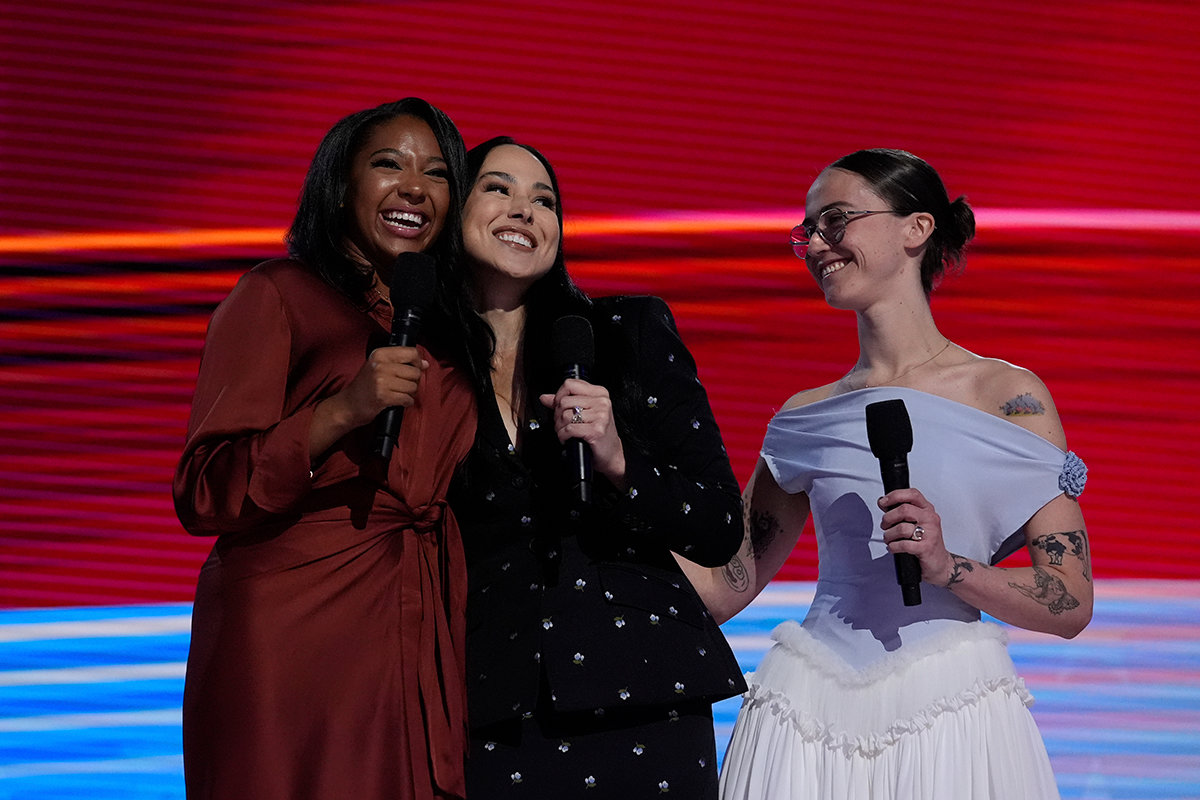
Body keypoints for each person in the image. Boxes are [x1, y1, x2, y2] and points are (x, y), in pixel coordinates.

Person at [677, 148, 1093, 799]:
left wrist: (948, 566)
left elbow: (1070, 600)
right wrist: (622, 482)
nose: (816, 243)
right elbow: (726, 587)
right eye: (806, 231)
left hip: (953, 712)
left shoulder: (1010, 395)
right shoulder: (801, 417)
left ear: (916, 229)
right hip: (806, 714)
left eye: (836, 221)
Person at [172, 98, 480, 800]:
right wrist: (343, 411)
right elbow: (202, 486)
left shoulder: (444, 328)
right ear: (340, 186)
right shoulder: (277, 293)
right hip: (292, 632)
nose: (413, 188)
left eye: (436, 174)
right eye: (388, 165)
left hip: (416, 623)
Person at [445, 136, 747, 798]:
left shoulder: (625, 333)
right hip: (494, 699)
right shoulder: (422, 367)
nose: (525, 210)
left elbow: (721, 525)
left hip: (644, 691)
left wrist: (619, 460)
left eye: (544, 200)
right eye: (498, 189)